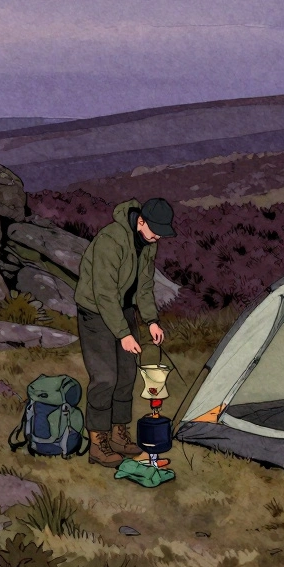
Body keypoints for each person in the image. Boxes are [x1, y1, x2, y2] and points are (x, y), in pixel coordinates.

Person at [74, 197, 177, 467]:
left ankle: (119, 435)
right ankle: (98, 442)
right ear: (140, 221)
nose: (157, 238)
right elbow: (104, 293)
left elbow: (144, 287)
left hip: (125, 310)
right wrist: (123, 334)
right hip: (96, 312)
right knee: (105, 377)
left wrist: (151, 320)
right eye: (155, 231)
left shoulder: (148, 244)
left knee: (127, 374)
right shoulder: (112, 240)